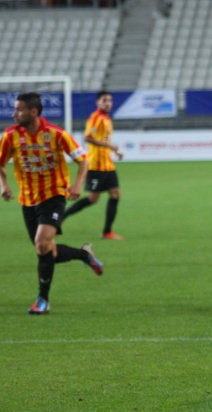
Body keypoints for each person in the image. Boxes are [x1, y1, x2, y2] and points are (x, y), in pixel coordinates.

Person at [0, 92, 104, 315]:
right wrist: (3, 185)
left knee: (41, 243)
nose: (14, 113)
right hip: (27, 199)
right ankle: (85, 255)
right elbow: (0, 164)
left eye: (19, 109)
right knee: (48, 252)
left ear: (33, 112)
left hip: (54, 195)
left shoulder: (56, 134)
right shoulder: (10, 136)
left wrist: (77, 185)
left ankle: (42, 300)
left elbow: (82, 159)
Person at [63, 91, 124, 240]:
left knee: (115, 194)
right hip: (96, 165)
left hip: (108, 165)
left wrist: (113, 150)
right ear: (98, 103)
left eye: (110, 100)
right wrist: (109, 145)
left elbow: (103, 140)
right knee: (92, 198)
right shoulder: (96, 118)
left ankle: (107, 231)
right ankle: (62, 216)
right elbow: (88, 137)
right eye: (104, 100)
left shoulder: (107, 119)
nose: (108, 103)